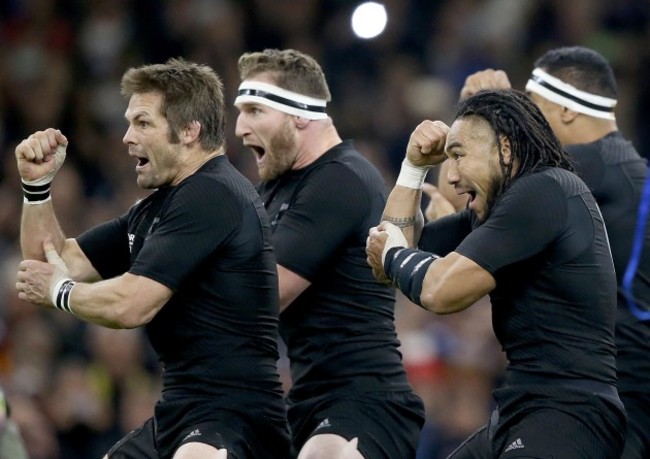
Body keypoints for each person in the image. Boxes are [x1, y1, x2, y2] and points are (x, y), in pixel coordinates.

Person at [14, 57, 290, 459]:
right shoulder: (158, 208)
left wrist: (59, 291)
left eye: (143, 123)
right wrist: (37, 188)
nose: (127, 137)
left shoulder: (213, 195)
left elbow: (131, 304)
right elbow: (50, 261)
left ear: (190, 130)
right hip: (183, 412)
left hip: (236, 416)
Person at [366, 88, 627, 458]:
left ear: (505, 148)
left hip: (570, 411)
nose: (452, 177)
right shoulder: (498, 212)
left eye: (458, 156)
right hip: (524, 409)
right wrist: (412, 169)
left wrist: (394, 254)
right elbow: (388, 258)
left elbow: (438, 290)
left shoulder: (545, 190)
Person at [459, 46, 650, 458]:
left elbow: (463, 196)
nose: (528, 123)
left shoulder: (569, 174)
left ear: (565, 110)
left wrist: (487, 115)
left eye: (534, 106)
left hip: (602, 389)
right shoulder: (624, 168)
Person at [234, 48, 425, 459]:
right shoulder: (276, 186)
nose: (239, 127)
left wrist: (157, 290)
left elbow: (265, 295)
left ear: (300, 113)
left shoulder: (341, 179)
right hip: (307, 403)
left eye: (254, 110)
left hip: (364, 402)